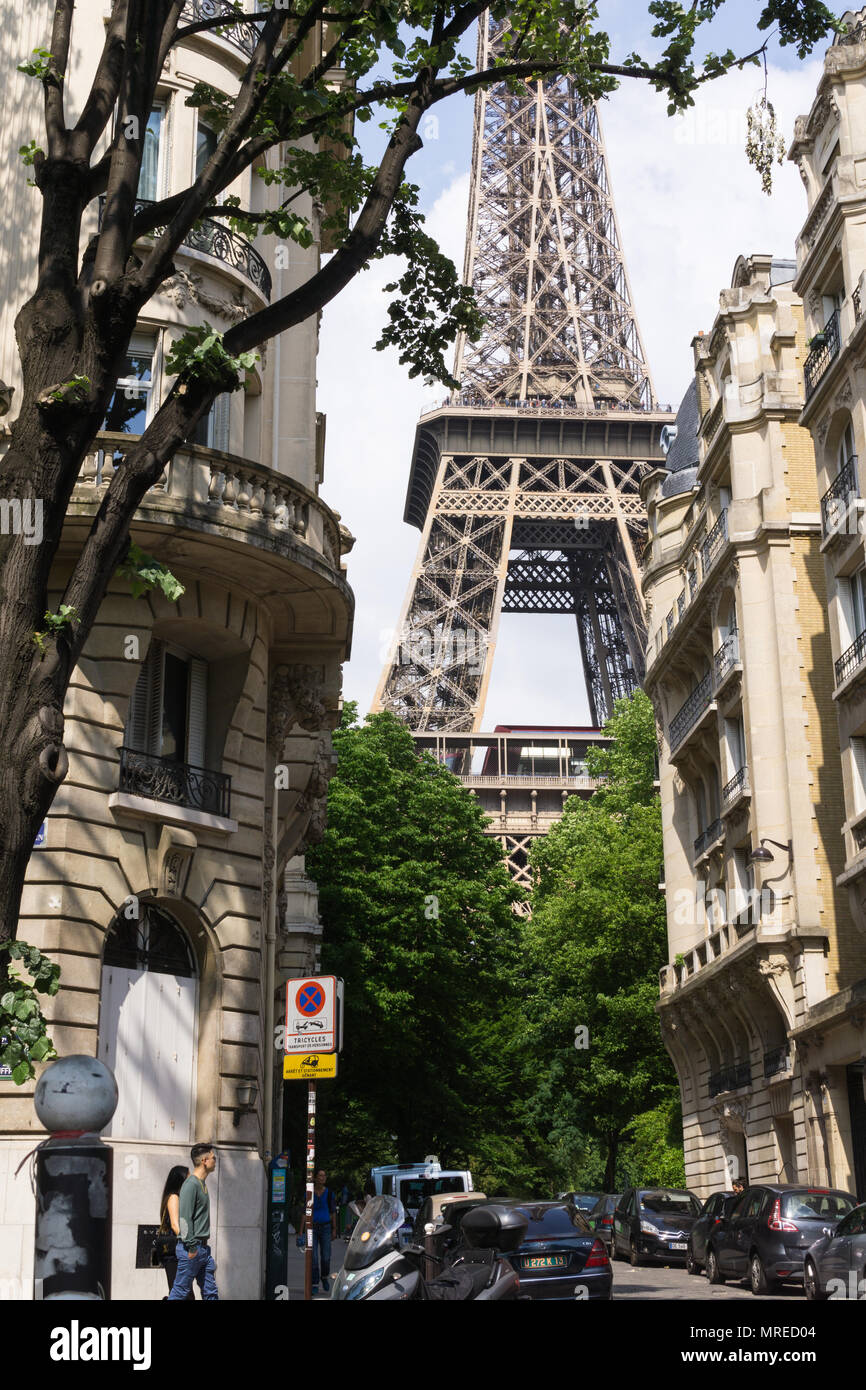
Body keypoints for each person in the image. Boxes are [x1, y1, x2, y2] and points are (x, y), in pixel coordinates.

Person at [168, 1142, 219, 1301]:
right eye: (213, 1158)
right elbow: (184, 1219)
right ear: (204, 1160)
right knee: (180, 1292)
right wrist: (191, 1247)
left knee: (211, 1292)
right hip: (192, 1247)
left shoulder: (201, 1184)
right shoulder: (190, 1185)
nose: (215, 1161)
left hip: (203, 1249)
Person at [157, 1165, 194, 1299]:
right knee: (183, 1293)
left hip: (176, 1251)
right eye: (188, 1177)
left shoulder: (178, 1197)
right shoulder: (174, 1197)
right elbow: (174, 1224)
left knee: (182, 1292)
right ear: (180, 1180)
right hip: (174, 1252)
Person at [300, 1168, 337, 1294]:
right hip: (312, 1229)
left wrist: (334, 1229)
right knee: (314, 1258)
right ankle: (315, 1283)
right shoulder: (309, 1193)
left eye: (324, 1175)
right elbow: (305, 1212)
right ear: (315, 1178)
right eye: (320, 1176)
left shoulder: (330, 1193)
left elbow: (333, 1212)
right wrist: (301, 1231)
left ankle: (324, 1277)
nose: (323, 1178)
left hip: (326, 1228)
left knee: (326, 1258)